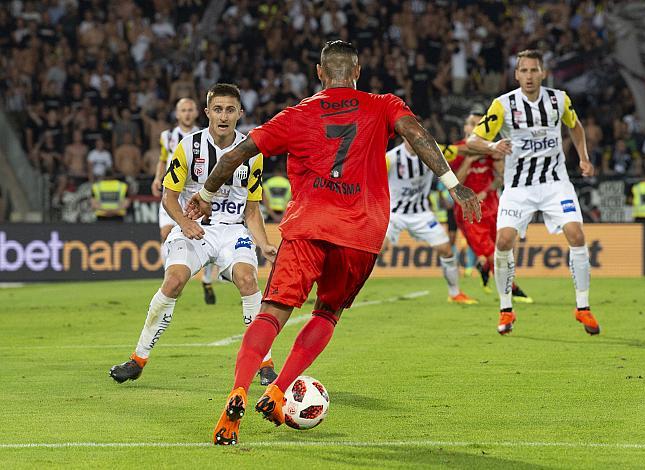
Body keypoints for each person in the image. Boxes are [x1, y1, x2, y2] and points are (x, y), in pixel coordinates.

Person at [184, 41, 480, 446]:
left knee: (271, 312)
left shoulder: (296, 114)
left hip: (308, 226)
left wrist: (204, 195)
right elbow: (418, 134)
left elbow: (236, 154)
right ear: (357, 69)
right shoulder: (383, 104)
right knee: (327, 312)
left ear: (319, 73)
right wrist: (455, 185)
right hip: (361, 233)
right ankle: (277, 390)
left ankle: (237, 392)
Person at [109, 83, 280, 387]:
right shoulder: (188, 146)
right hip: (194, 229)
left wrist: (264, 242)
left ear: (240, 113)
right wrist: (185, 224)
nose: (223, 116)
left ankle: (264, 363)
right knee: (174, 280)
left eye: (230, 109)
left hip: (232, 231)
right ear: (207, 112)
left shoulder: (253, 153)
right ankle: (137, 359)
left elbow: (251, 210)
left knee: (248, 280)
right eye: (217, 109)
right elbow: (169, 198)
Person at [467, 49, 599, 336]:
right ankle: (505, 310)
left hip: (555, 182)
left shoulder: (558, 99)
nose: (528, 76)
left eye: (533, 70)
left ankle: (583, 308)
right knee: (503, 241)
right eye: (523, 71)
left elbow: (575, 126)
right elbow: (473, 139)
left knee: (577, 234)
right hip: (519, 187)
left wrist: (583, 157)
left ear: (543, 72)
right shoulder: (503, 105)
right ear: (516, 75)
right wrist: (492, 147)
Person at [451, 112, 533, 303]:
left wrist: (490, 184)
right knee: (489, 251)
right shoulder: (457, 150)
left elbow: (500, 178)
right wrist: (470, 160)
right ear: (465, 128)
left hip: (493, 207)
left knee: (504, 248)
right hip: (468, 210)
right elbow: (455, 182)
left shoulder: (489, 149)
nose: (474, 128)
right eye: (471, 124)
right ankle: (511, 289)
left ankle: (486, 269)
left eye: (478, 124)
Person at [385, 137, 477, 304]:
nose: (414, 140)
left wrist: (487, 148)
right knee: (375, 250)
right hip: (394, 214)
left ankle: (455, 293)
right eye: (410, 136)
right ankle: (348, 291)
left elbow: (459, 150)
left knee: (446, 250)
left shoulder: (433, 151)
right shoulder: (390, 158)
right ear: (403, 137)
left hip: (421, 214)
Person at [150, 99, 216, 304]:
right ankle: (170, 280)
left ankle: (206, 280)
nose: (187, 114)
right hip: (173, 191)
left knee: (208, 237)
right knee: (165, 234)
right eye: (183, 111)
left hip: (196, 193)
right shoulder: (167, 136)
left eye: (190, 110)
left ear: (197, 112)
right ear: (177, 114)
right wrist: (157, 177)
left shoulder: (206, 135)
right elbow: (164, 158)